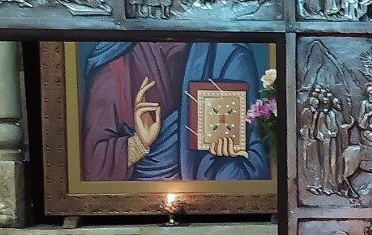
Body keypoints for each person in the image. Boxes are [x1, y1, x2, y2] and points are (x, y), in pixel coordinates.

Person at [80, 41, 270, 184]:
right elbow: (93, 165)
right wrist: (139, 144)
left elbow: (254, 162)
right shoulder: (115, 65)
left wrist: (227, 158)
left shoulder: (228, 54)